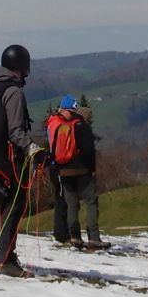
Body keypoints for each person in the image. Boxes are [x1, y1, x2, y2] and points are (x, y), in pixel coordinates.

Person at [0, 44, 48, 277]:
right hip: (12, 160)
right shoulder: (14, 92)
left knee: (4, 208)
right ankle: (6, 260)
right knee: (14, 208)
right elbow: (16, 132)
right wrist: (34, 150)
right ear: (21, 67)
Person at [46, 94, 107, 250]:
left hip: (63, 170)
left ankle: (75, 237)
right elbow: (88, 150)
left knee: (71, 204)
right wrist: (92, 169)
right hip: (81, 170)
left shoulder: (60, 126)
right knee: (91, 201)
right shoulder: (81, 126)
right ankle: (93, 237)